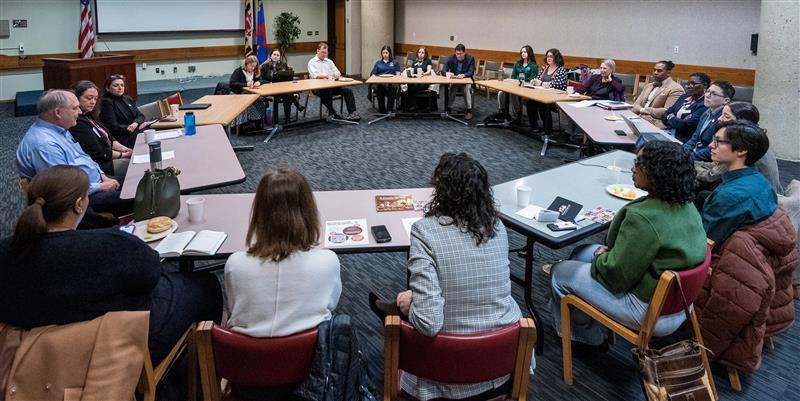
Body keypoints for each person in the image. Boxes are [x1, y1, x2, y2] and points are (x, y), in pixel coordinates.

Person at [0, 165, 222, 365]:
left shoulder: (7, 251)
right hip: (113, 351)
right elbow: (151, 275)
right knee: (206, 285)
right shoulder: (109, 245)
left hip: (37, 357)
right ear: (79, 205)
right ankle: (206, 374)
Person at [370, 153, 522, 401]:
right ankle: (395, 305)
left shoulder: (425, 231)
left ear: (441, 191)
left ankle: (394, 308)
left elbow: (429, 323)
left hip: (443, 375)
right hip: (499, 370)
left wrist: (414, 304)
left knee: (408, 308)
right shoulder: (497, 227)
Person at [549, 141, 707, 349]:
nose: (633, 168)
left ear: (656, 173)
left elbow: (616, 276)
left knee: (560, 271)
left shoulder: (642, 218)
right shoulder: (686, 204)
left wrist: (601, 256)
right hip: (680, 305)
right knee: (581, 252)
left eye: (639, 164)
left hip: (649, 311)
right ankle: (583, 315)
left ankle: (585, 339)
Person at [225, 168, 341, 338]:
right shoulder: (328, 262)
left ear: (258, 213)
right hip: (313, 358)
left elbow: (234, 308)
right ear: (308, 212)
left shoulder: (235, 264)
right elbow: (331, 305)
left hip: (243, 360)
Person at [16, 89, 132, 219]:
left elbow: (84, 158)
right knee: (144, 194)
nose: (80, 112)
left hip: (93, 183)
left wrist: (103, 176)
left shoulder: (60, 130)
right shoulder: (45, 145)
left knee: (140, 181)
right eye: (75, 108)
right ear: (58, 113)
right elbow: (64, 188)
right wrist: (101, 186)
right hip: (80, 198)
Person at [701, 120, 776, 246]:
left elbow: (704, 243)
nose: (711, 145)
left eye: (718, 141)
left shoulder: (729, 196)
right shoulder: (761, 180)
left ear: (741, 151)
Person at [695, 102, 783, 194]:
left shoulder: (743, 144)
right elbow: (716, 165)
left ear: (741, 122)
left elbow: (711, 175)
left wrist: (689, 165)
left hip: (760, 196)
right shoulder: (753, 137)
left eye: (726, 116)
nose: (719, 119)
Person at [69, 80, 132, 177]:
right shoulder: (77, 123)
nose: (93, 102)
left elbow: (110, 138)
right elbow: (99, 152)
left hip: (109, 157)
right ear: (76, 98)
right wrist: (123, 155)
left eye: (95, 98)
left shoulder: (90, 115)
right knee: (132, 165)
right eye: (89, 98)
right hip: (100, 164)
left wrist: (125, 149)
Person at [307, 42, 360, 121]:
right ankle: (332, 113)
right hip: (318, 88)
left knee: (348, 91)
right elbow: (316, 75)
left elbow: (336, 71)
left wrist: (337, 74)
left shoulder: (329, 61)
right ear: (317, 51)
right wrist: (328, 75)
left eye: (326, 52)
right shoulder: (312, 62)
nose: (324, 54)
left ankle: (352, 113)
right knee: (326, 91)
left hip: (331, 86)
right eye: (323, 52)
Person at [683, 80, 734, 161]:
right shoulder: (706, 113)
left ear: (726, 100)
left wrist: (686, 158)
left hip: (705, 161)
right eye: (707, 91)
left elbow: (711, 150)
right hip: (692, 155)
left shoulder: (724, 119)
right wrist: (682, 152)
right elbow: (693, 139)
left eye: (713, 94)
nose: (707, 95)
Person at [99, 74, 154, 148]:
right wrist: (130, 128)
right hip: (123, 137)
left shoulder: (127, 99)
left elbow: (140, 115)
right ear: (107, 88)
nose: (120, 88)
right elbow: (112, 126)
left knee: (155, 131)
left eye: (122, 85)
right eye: (116, 85)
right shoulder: (106, 102)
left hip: (135, 130)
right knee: (150, 136)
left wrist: (136, 123)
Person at [660, 72, 710, 142]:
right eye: (688, 84)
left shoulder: (704, 104)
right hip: (668, 131)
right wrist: (678, 121)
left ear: (705, 85)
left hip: (682, 139)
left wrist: (672, 117)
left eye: (693, 84)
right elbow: (665, 114)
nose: (689, 86)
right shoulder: (683, 97)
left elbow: (687, 126)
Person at [527, 48, 568, 133]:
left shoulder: (561, 70)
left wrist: (541, 83)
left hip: (556, 98)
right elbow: (538, 78)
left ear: (556, 58)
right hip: (543, 95)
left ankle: (548, 129)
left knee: (543, 104)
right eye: (547, 56)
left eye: (551, 57)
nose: (548, 58)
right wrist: (534, 81)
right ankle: (534, 126)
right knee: (530, 102)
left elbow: (556, 85)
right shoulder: (545, 68)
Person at [261, 49, 305, 122]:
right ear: (270, 56)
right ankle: (297, 105)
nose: (275, 56)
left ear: (280, 57)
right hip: (270, 89)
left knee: (287, 94)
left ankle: (287, 119)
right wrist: (269, 82)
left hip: (282, 88)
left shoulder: (283, 64)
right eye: (274, 54)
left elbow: (288, 75)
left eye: (277, 55)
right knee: (288, 93)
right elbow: (261, 79)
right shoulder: (265, 66)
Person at [229, 55, 267, 129]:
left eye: (255, 66)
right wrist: (246, 84)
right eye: (251, 66)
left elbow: (263, 80)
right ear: (246, 64)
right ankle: (241, 126)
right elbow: (232, 83)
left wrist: (259, 82)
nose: (253, 68)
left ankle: (258, 124)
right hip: (238, 93)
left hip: (250, 94)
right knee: (244, 105)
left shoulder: (255, 71)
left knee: (260, 103)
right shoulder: (238, 71)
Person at [504, 45, 538, 123]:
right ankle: (504, 113)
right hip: (516, 85)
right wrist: (516, 82)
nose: (523, 53)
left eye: (525, 52)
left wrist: (523, 82)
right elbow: (513, 76)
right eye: (522, 52)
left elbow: (532, 80)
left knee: (513, 94)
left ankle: (517, 115)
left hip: (527, 87)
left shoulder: (533, 65)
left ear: (529, 53)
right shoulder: (518, 63)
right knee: (501, 94)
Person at [441, 44, 476, 120]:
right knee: (452, 88)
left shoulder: (470, 59)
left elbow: (471, 72)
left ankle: (469, 111)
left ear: (464, 53)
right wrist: (447, 73)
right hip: (456, 81)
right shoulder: (451, 58)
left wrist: (463, 75)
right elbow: (443, 70)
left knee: (466, 89)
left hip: (466, 82)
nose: (458, 55)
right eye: (457, 53)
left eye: (460, 54)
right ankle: (448, 108)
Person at [369, 45, 402, 114]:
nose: (385, 54)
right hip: (380, 83)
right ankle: (382, 110)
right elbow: (372, 74)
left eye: (386, 53)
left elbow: (398, 74)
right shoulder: (378, 63)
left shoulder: (395, 62)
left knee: (391, 88)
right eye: (383, 53)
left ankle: (389, 109)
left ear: (390, 53)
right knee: (379, 87)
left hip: (391, 83)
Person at [406, 46, 435, 111]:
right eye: (419, 52)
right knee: (410, 84)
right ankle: (413, 104)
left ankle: (412, 105)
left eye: (422, 52)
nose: (420, 54)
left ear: (425, 54)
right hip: (415, 80)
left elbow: (429, 71)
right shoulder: (415, 61)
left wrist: (423, 74)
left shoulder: (428, 61)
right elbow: (412, 71)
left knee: (412, 86)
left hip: (424, 81)